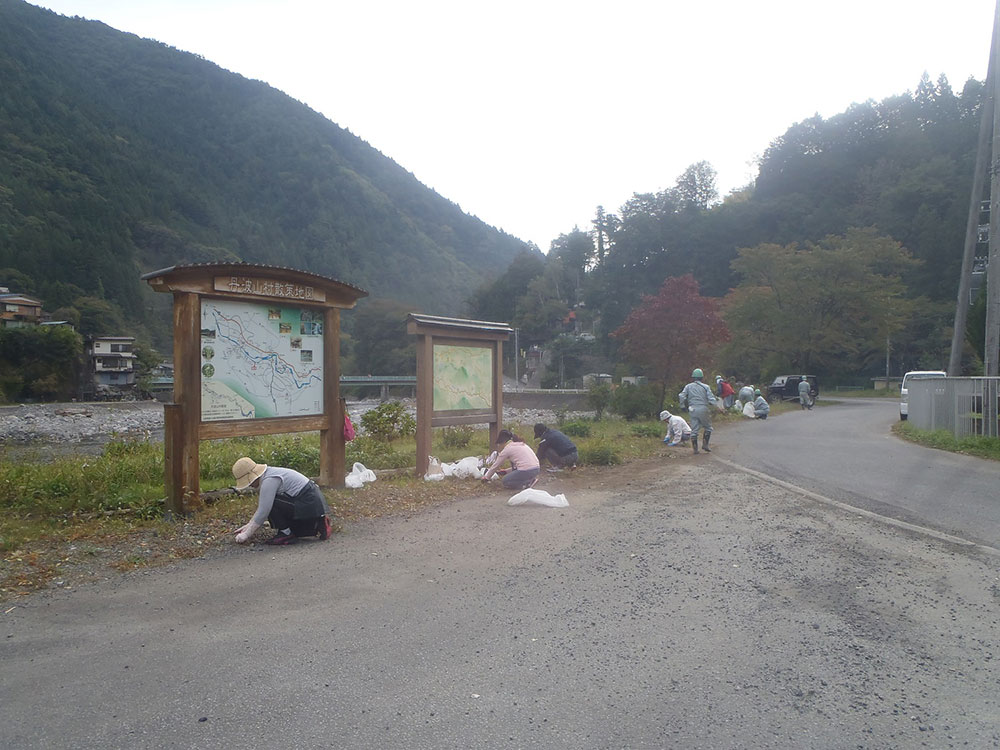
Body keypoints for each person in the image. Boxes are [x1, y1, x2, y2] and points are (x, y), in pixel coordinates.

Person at [232, 457, 333, 546]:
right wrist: (248, 526)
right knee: (298, 531)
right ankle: (319, 522)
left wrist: (246, 534)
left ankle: (286, 534)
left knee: (273, 503)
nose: (249, 485)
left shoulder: (269, 480)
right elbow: (262, 507)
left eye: (248, 482)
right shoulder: (270, 473)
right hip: (312, 502)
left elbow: (263, 510)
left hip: (308, 502)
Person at [679, 368, 719, 454]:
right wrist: (716, 406)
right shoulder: (705, 387)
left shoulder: (688, 386)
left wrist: (682, 406)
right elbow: (711, 399)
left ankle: (695, 449)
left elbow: (681, 396)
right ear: (702, 377)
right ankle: (705, 445)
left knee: (694, 429)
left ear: (693, 377)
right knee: (708, 427)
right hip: (703, 409)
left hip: (692, 409)